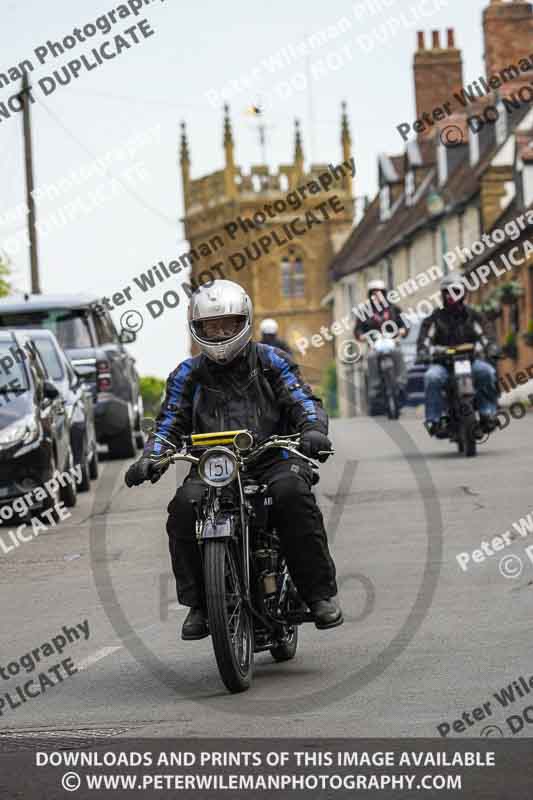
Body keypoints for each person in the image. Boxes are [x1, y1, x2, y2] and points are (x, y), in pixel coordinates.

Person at [125, 280, 343, 640]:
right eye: (212, 326)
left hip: (274, 456)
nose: (221, 332)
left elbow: (302, 400)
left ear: (244, 321)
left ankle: (318, 595)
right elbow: (168, 423)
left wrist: (313, 430)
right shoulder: (186, 374)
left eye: (227, 323)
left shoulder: (272, 360)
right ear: (198, 329)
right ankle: (199, 604)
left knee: (292, 495)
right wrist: (152, 456)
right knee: (183, 507)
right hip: (213, 466)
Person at [417, 272, 499, 436]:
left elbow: (486, 334)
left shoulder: (473, 316)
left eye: (456, 291)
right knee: (431, 378)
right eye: (448, 292)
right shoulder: (435, 318)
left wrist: (491, 346)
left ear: (463, 293)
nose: (452, 295)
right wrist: (423, 351)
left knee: (487, 372)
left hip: (471, 361)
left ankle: (487, 412)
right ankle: (434, 420)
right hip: (443, 365)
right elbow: (425, 338)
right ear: (443, 295)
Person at [354, 279, 408, 410]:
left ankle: (401, 383)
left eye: (380, 293)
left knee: (398, 353)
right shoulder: (364, 312)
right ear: (370, 295)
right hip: (374, 344)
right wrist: (361, 335)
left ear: (384, 294)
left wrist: (402, 330)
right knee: (371, 357)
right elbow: (358, 329)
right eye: (374, 293)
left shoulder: (394, 309)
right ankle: (375, 386)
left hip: (392, 342)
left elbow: (404, 324)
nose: (377, 296)